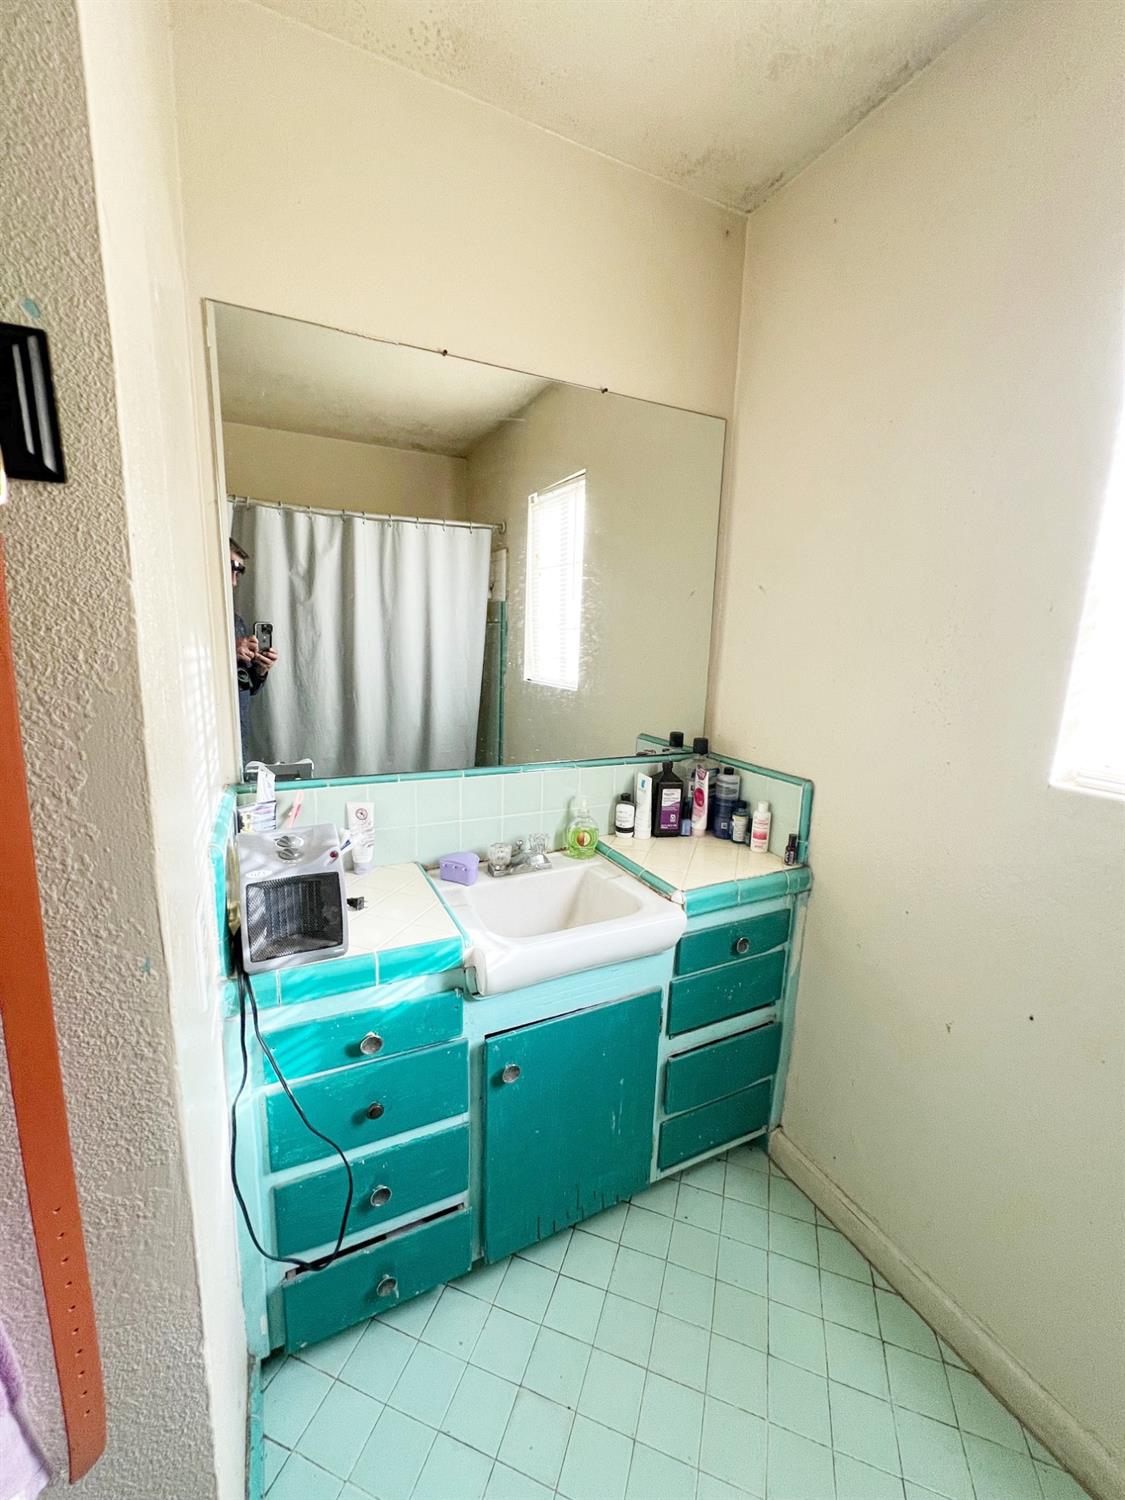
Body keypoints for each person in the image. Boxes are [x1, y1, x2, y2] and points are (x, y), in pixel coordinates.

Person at [230, 538, 278, 761]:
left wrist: (259, 671)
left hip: (238, 737)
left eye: (239, 572)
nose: (234, 581)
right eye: (231, 568)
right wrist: (230, 651)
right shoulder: (196, 620)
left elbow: (245, 686)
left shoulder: (236, 622)